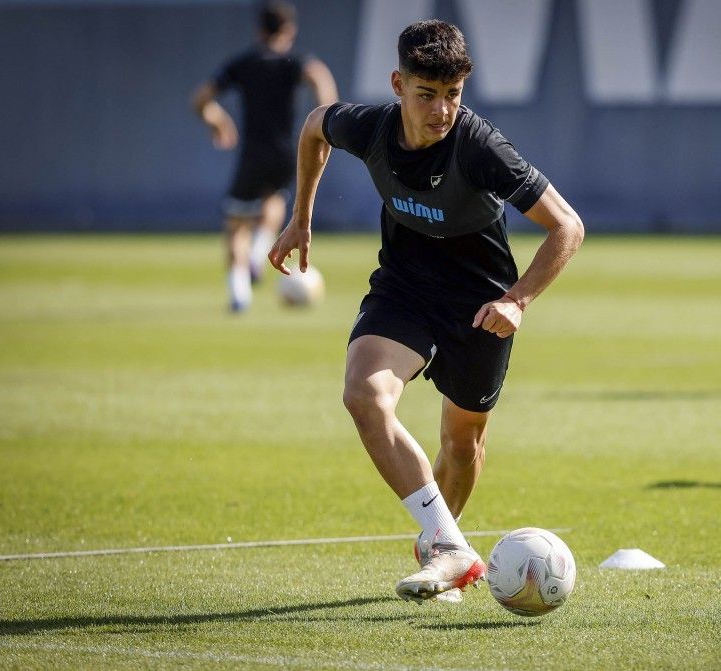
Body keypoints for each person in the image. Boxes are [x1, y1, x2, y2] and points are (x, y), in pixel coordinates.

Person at [268, 20, 584, 603]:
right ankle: (449, 546)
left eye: (453, 95)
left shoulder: (482, 148)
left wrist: (517, 300)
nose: (442, 111)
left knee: (461, 444)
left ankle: (442, 550)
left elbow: (568, 226)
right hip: (405, 288)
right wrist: (300, 216)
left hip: (480, 302)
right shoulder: (369, 127)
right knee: (364, 395)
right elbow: (315, 128)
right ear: (398, 84)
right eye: (426, 95)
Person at [192, 0, 337, 312]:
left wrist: (216, 120)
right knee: (275, 201)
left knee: (236, 225)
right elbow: (319, 77)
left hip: (253, 154)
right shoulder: (294, 61)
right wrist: (327, 119)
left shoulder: (244, 63)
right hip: (286, 153)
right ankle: (258, 254)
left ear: (260, 30)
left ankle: (239, 293)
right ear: (290, 30)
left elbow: (201, 98)